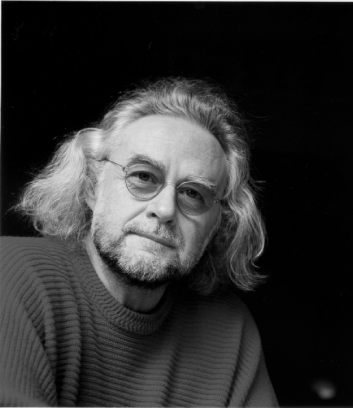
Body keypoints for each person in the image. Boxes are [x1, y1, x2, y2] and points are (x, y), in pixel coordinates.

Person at [0, 78, 278, 407]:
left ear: (217, 224)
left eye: (193, 194)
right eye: (143, 176)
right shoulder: (12, 273)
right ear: (91, 186)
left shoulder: (230, 329)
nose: (165, 210)